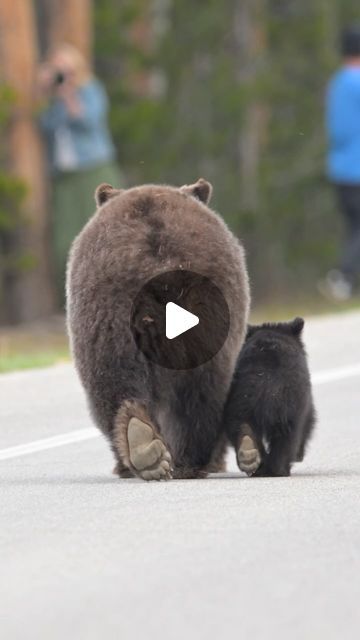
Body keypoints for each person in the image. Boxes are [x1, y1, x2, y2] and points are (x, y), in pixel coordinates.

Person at [37, 44, 123, 305]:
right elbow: (43, 124)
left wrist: (69, 93)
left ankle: (113, 296)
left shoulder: (90, 91)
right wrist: (43, 90)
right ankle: (76, 301)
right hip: (66, 178)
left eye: (67, 69)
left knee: (106, 234)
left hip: (94, 171)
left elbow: (88, 121)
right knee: (66, 240)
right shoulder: (52, 101)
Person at [322, 26, 360, 301]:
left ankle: (346, 280)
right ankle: (343, 278)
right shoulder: (357, 83)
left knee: (353, 228)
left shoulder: (336, 83)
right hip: (357, 168)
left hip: (340, 169)